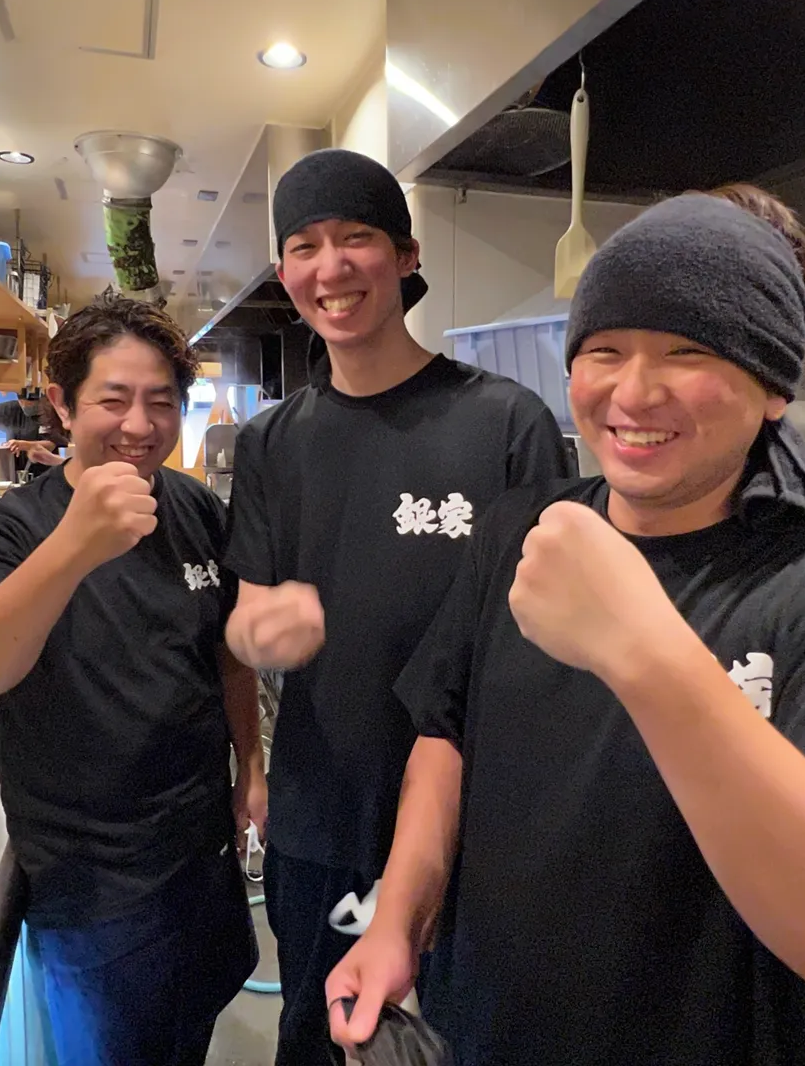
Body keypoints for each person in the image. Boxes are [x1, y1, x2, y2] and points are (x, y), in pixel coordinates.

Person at [326, 189, 805, 1065]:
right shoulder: (525, 534)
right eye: (604, 351)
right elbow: (445, 737)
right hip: (486, 1034)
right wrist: (398, 923)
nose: (634, 392)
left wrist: (646, 653)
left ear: (770, 389)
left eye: (688, 353)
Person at [222, 147, 572, 1065]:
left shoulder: (505, 423)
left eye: (357, 238)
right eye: (303, 247)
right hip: (321, 815)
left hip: (475, 824)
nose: (330, 268)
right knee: (322, 1040)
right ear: (285, 270)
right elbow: (247, 608)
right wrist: (258, 628)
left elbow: (548, 639)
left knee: (468, 1043)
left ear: (407, 255)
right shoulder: (271, 445)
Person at [0, 294, 262, 1066]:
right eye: (113, 400)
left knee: (191, 1030)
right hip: (91, 884)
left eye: (161, 403)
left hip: (201, 850)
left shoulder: (190, 507)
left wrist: (251, 768)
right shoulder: (7, 529)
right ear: (62, 404)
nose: (140, 426)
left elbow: (227, 655)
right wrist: (75, 545)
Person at [0, 388, 69, 478]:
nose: (24, 405)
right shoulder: (13, 409)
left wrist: (24, 445)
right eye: (21, 402)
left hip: (45, 474)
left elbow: (52, 444)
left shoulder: (51, 412)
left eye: (29, 403)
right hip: (15, 474)